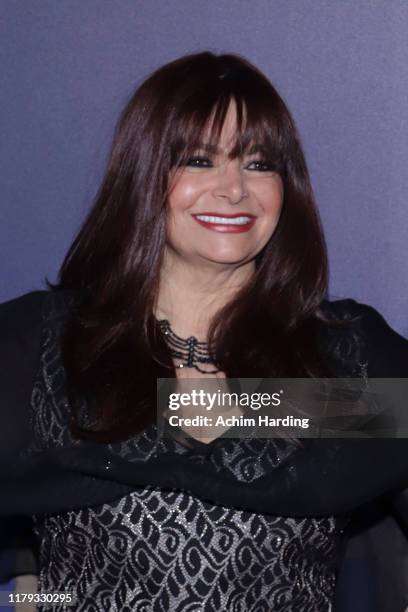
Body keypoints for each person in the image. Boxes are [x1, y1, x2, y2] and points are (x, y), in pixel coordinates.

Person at [1, 51, 408, 612]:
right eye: (198, 160)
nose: (234, 188)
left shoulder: (344, 356)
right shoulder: (44, 345)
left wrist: (254, 404)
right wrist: (47, 599)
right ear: (144, 174)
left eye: (259, 163)